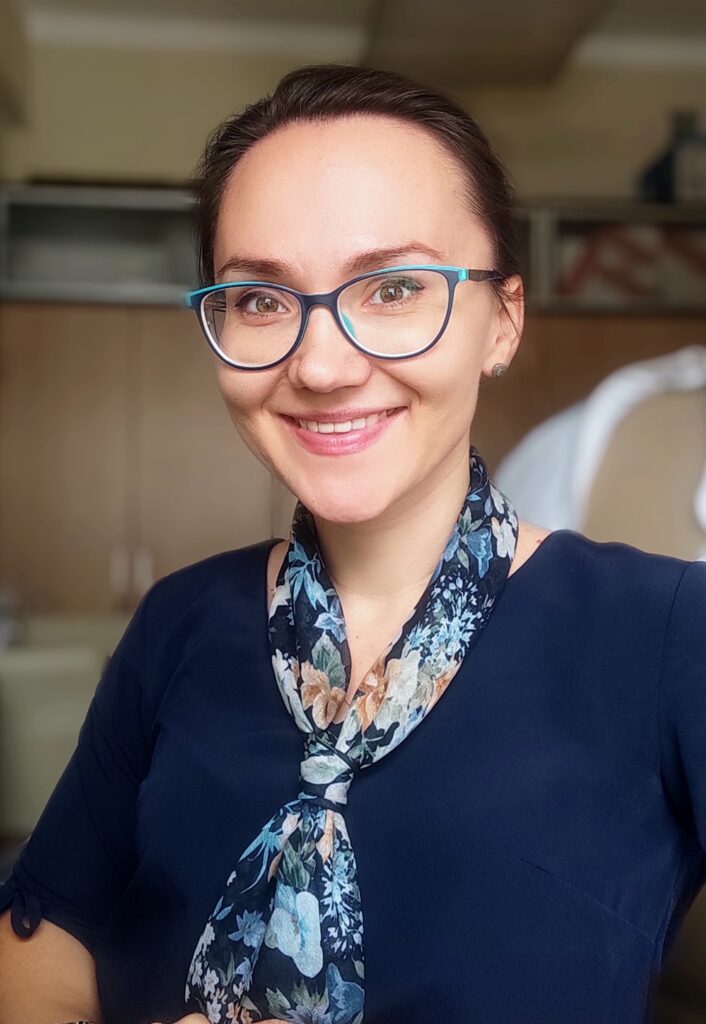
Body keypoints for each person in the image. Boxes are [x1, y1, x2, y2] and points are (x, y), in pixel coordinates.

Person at [0, 62, 705, 1024]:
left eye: (393, 289)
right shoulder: (181, 621)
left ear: (502, 319)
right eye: (260, 299)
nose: (321, 365)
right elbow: (49, 921)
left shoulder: (668, 633)